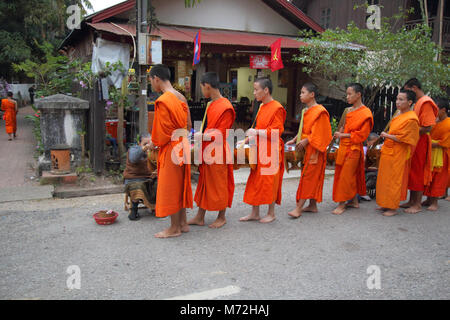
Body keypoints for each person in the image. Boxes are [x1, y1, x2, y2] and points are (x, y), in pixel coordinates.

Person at [148, 64, 193, 238]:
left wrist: (153, 143)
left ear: (156, 79)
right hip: (183, 145)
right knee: (180, 184)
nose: (152, 84)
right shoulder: (180, 96)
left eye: (151, 80)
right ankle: (182, 223)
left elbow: (162, 133)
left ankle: (174, 228)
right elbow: (188, 125)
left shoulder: (164, 100)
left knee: (171, 186)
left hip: (171, 148)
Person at [188, 72, 236, 229]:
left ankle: (221, 217)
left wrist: (203, 135)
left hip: (218, 150)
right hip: (207, 147)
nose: (202, 91)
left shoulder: (226, 107)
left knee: (219, 184)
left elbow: (221, 133)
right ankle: (200, 216)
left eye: (202, 88)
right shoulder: (211, 104)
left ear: (207, 86)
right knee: (204, 183)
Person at [239, 77, 286, 223]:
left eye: (256, 89)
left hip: (271, 150)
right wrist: (246, 140)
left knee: (269, 182)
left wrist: (255, 133)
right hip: (259, 148)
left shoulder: (277, 108)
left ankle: (271, 213)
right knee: (255, 180)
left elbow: (276, 132)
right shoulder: (261, 107)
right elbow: (258, 128)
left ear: (266, 90)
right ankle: (255, 212)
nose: (254, 93)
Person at [286, 83, 332, 218]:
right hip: (308, 148)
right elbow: (305, 130)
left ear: (312, 95)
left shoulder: (320, 111)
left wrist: (307, 140)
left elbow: (322, 133)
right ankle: (312, 205)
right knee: (311, 177)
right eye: (300, 92)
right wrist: (295, 139)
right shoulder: (306, 111)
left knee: (308, 177)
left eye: (303, 92)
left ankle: (299, 208)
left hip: (315, 150)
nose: (300, 95)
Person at [375, 90, 420, 216]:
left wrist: (387, 135)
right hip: (388, 150)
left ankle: (392, 207)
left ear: (410, 102)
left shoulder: (411, 118)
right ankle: (384, 202)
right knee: (384, 178)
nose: (397, 102)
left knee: (394, 180)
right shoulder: (399, 114)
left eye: (401, 100)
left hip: (398, 152)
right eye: (397, 99)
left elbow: (406, 139)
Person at [332, 83, 374, 215]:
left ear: (358, 94)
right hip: (344, 147)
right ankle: (354, 201)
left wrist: (343, 135)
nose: (347, 96)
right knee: (347, 175)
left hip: (354, 149)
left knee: (346, 176)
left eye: (350, 94)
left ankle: (342, 204)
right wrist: (340, 131)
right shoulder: (349, 111)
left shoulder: (365, 113)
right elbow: (344, 127)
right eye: (347, 94)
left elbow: (362, 135)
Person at [401, 78, 439, 213]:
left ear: (414, 88)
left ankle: (416, 204)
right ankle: (411, 201)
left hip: (421, 141)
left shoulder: (426, 102)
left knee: (418, 171)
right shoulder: (418, 102)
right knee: (412, 170)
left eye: (407, 90)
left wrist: (407, 131)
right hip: (414, 140)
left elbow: (427, 127)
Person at [423, 97, 450, 211]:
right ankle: (429, 199)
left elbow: (446, 142)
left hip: (442, 154)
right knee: (430, 176)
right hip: (431, 151)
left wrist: (430, 143)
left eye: (436, 109)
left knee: (438, 178)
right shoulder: (434, 121)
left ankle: (434, 202)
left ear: (443, 110)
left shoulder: (448, 123)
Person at [123, 134, 155, 221]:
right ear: (139, 143)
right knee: (138, 186)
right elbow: (133, 158)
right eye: (145, 143)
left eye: (150, 143)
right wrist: (146, 148)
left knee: (160, 183)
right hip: (133, 178)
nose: (148, 145)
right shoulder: (134, 149)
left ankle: (155, 207)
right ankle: (134, 210)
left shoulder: (153, 152)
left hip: (148, 178)